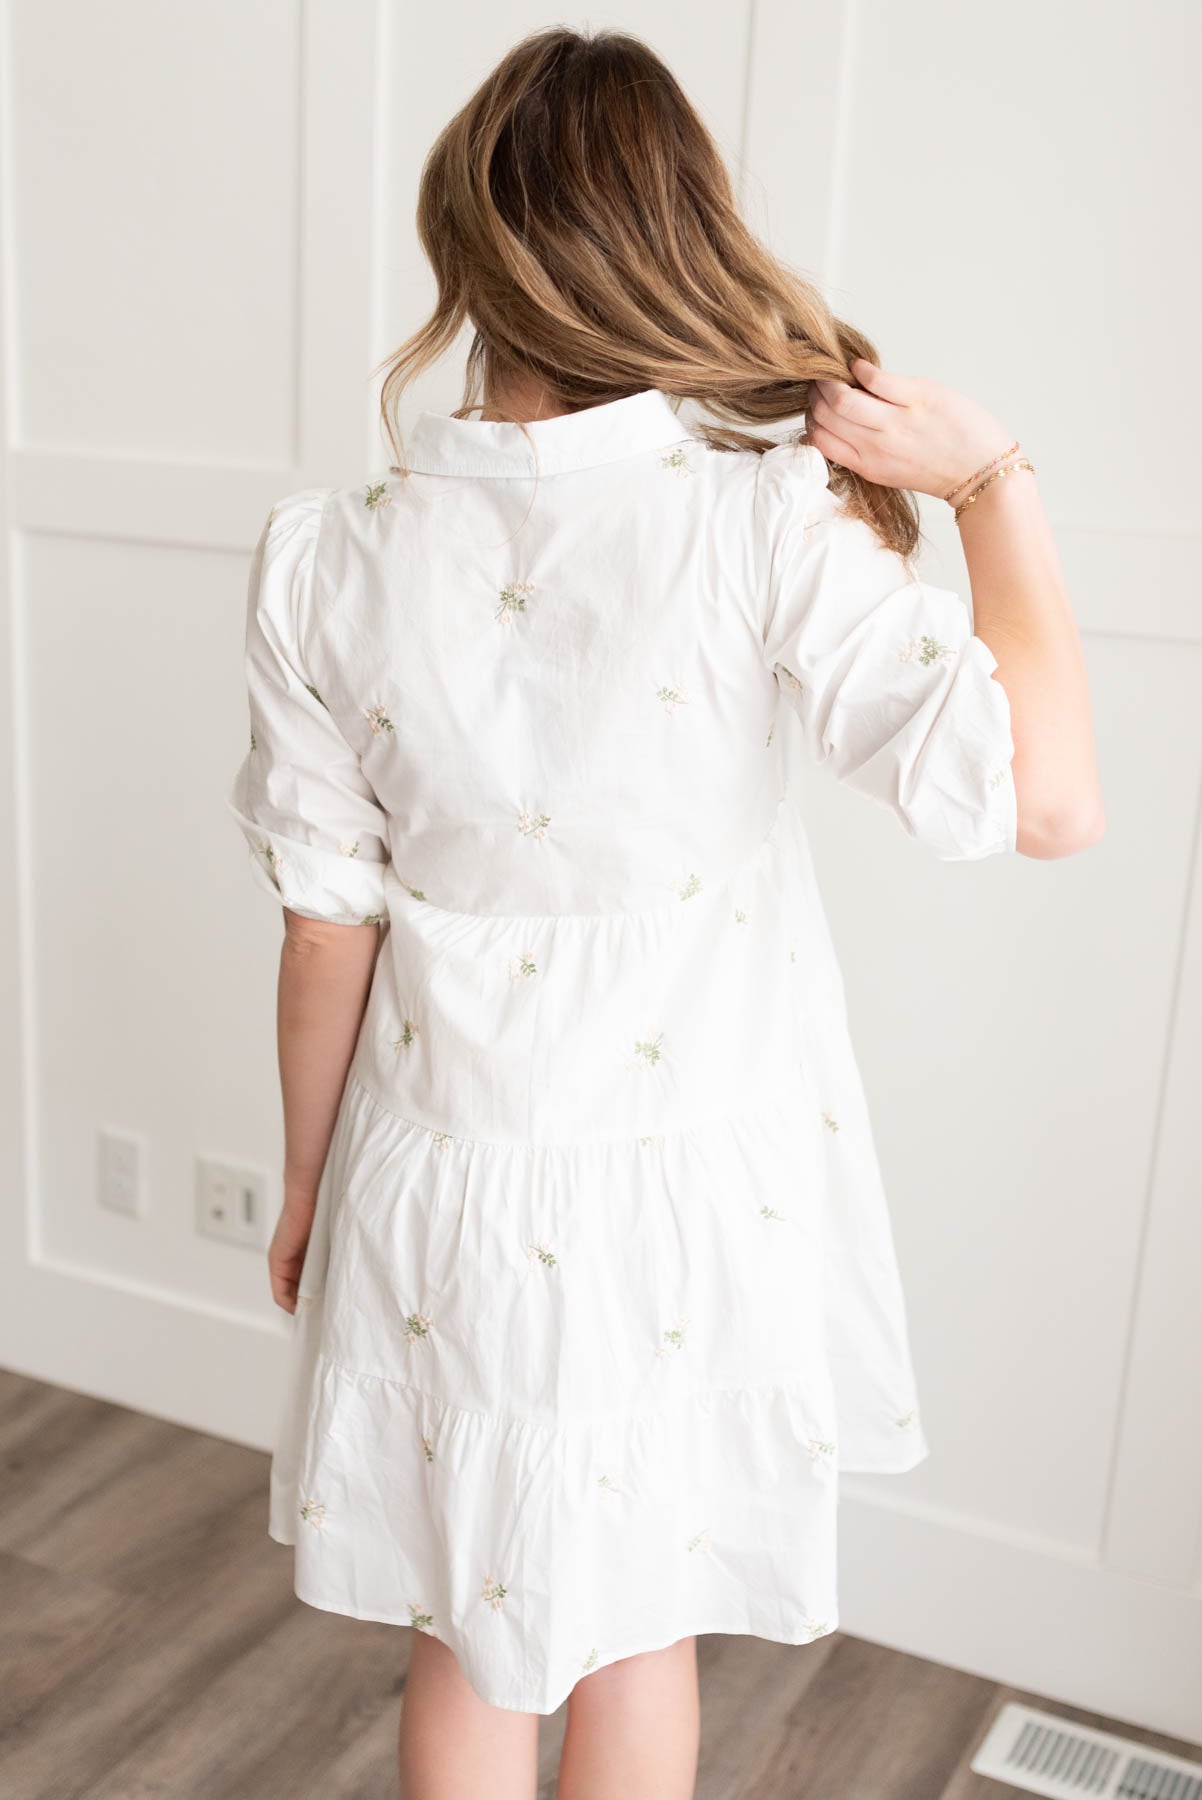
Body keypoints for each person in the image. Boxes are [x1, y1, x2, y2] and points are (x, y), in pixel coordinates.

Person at [226, 25, 1102, 1800]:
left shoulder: (330, 550)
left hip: (437, 1164)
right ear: (668, 233)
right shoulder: (760, 519)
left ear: (460, 243)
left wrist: (315, 1180)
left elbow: (328, 930)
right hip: (686, 1189)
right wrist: (994, 484)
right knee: (635, 1631)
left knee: (465, 1629)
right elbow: (1048, 802)